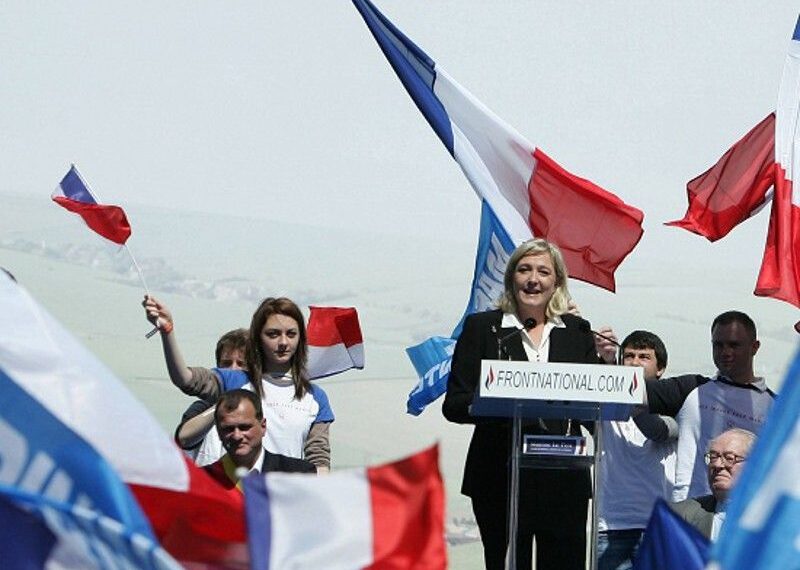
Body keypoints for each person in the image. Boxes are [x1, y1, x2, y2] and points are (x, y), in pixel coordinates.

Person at [442, 238, 598, 570]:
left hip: (563, 478)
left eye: (543, 272)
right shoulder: (483, 328)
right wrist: (494, 403)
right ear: (511, 276)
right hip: (499, 475)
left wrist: (609, 367)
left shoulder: (577, 331)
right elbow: (455, 403)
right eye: (524, 269)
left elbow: (595, 403)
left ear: (556, 281)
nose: (533, 279)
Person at [143, 295, 333, 472]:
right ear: (258, 338)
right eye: (273, 334)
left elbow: (319, 460)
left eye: (291, 334)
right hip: (235, 491)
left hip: (282, 496)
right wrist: (167, 333)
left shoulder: (315, 397)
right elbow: (185, 379)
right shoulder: (234, 381)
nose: (283, 342)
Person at [642, 311, 774, 501]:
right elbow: (630, 393)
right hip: (692, 514)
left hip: (745, 517)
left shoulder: (774, 406)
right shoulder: (691, 389)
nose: (725, 352)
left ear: (755, 347)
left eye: (734, 345)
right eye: (718, 345)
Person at [595, 330, 677, 570]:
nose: (634, 362)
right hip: (611, 528)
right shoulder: (604, 402)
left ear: (660, 368)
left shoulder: (675, 403)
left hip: (656, 527)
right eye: (629, 356)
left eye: (644, 357)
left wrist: (627, 394)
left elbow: (659, 431)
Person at [203, 389, 316, 496]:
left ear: (263, 426)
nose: (237, 436)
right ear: (218, 431)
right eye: (228, 429)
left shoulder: (299, 475)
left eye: (244, 427)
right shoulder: (204, 481)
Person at [174, 328, 248, 460]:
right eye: (226, 364)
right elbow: (184, 439)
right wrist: (222, 406)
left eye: (241, 364)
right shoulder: (203, 407)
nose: (233, 369)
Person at [670, 428, 755, 540]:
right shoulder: (679, 517)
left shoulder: (777, 520)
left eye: (729, 458)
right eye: (713, 457)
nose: (717, 465)